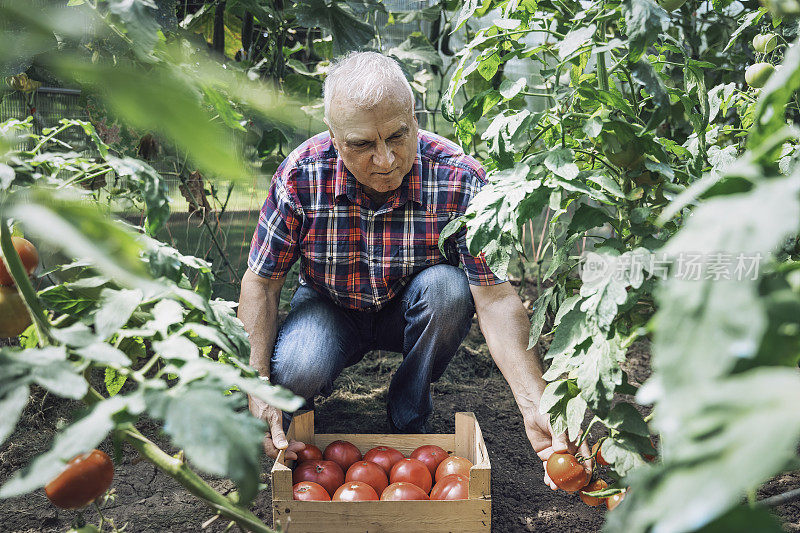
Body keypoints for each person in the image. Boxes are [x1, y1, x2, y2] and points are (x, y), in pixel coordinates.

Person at [238, 51, 591, 489]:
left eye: (397, 137)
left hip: (415, 306)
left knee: (448, 290)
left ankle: (409, 414)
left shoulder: (459, 179)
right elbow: (261, 283)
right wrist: (258, 388)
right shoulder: (301, 177)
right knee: (296, 367)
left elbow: (495, 298)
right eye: (362, 145)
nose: (385, 160)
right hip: (329, 305)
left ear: (415, 119)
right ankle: (294, 416)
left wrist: (535, 401)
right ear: (332, 136)